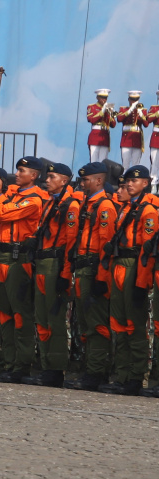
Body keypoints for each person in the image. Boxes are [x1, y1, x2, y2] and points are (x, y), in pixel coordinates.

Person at [0, 156, 48, 384]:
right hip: (2, 255)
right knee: (4, 313)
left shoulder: (32, 200)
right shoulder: (14, 195)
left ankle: (21, 364)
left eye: (22, 170)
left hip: (17, 258)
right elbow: (1, 223)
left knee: (20, 314)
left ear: (34, 175)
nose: (17, 174)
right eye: (18, 170)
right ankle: (8, 362)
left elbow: (3, 214)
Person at [98, 166, 158, 395]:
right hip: (119, 265)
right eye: (127, 182)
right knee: (119, 324)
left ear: (146, 183)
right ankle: (122, 376)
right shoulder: (127, 209)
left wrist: (141, 284)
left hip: (134, 266)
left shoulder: (149, 210)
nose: (129, 185)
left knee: (134, 325)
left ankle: (135, 376)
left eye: (135, 181)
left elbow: (146, 251)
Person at [62, 162, 118, 391]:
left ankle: (96, 373)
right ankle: (90, 369)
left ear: (98, 180)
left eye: (86, 180)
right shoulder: (88, 204)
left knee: (96, 325)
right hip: (83, 268)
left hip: (94, 269)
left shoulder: (105, 206)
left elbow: (106, 246)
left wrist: (101, 278)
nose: (82, 183)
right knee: (84, 323)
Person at [23, 162, 79, 387]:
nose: (47, 180)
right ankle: (46, 366)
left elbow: (70, 243)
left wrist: (65, 274)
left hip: (56, 264)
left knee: (55, 319)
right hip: (42, 261)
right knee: (42, 318)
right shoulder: (50, 203)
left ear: (64, 181)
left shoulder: (70, 205)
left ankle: (56, 369)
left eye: (52, 176)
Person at [117, 90, 147, 170]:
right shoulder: (123, 109)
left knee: (135, 164)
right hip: (126, 139)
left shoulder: (142, 110)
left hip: (137, 139)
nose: (134, 102)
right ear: (129, 99)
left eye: (136, 100)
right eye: (132, 99)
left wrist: (140, 113)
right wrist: (130, 110)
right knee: (125, 163)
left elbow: (146, 124)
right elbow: (119, 119)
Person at [86, 89, 116, 163]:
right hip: (95, 134)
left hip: (105, 135)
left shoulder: (109, 107)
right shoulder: (92, 107)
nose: (104, 100)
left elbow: (113, 125)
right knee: (93, 159)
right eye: (102, 97)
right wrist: (102, 111)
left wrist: (109, 114)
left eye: (105, 98)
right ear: (97, 98)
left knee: (103, 160)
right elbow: (91, 119)